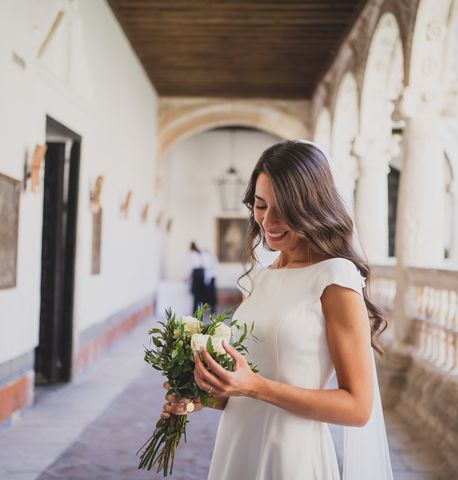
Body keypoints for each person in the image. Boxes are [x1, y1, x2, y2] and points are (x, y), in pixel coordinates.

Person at [163, 140, 393, 479]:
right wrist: (201, 395)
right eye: (260, 205)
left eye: (283, 208)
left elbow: (358, 408)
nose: (268, 221)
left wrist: (255, 386)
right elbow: (240, 389)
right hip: (236, 444)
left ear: (311, 206)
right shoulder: (258, 279)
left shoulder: (336, 278)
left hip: (290, 456)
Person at [189, 241, 205, 314]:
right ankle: (201, 310)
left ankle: (194, 311)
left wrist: (188, 276)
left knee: (195, 293)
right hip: (201, 273)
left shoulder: (192, 254)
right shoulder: (199, 253)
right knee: (200, 293)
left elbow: (190, 266)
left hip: (196, 273)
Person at [201, 248, 218, 313]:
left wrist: (207, 279)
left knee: (211, 294)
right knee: (208, 295)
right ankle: (210, 308)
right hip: (210, 278)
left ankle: (212, 309)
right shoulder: (212, 258)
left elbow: (210, 269)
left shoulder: (212, 259)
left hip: (211, 278)